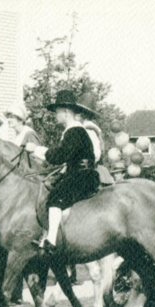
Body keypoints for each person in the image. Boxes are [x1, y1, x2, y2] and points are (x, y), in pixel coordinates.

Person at [25, 90, 101, 253]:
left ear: (66, 112)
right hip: (80, 174)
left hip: (82, 176)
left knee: (55, 198)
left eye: (57, 112)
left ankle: (51, 242)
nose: (55, 115)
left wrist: (36, 149)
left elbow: (60, 155)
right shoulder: (74, 131)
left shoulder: (74, 131)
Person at [4, 102, 42, 303]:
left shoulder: (29, 134)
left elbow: (37, 160)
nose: (9, 121)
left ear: (20, 119)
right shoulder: (17, 136)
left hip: (30, 180)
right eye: (9, 117)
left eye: (12, 117)